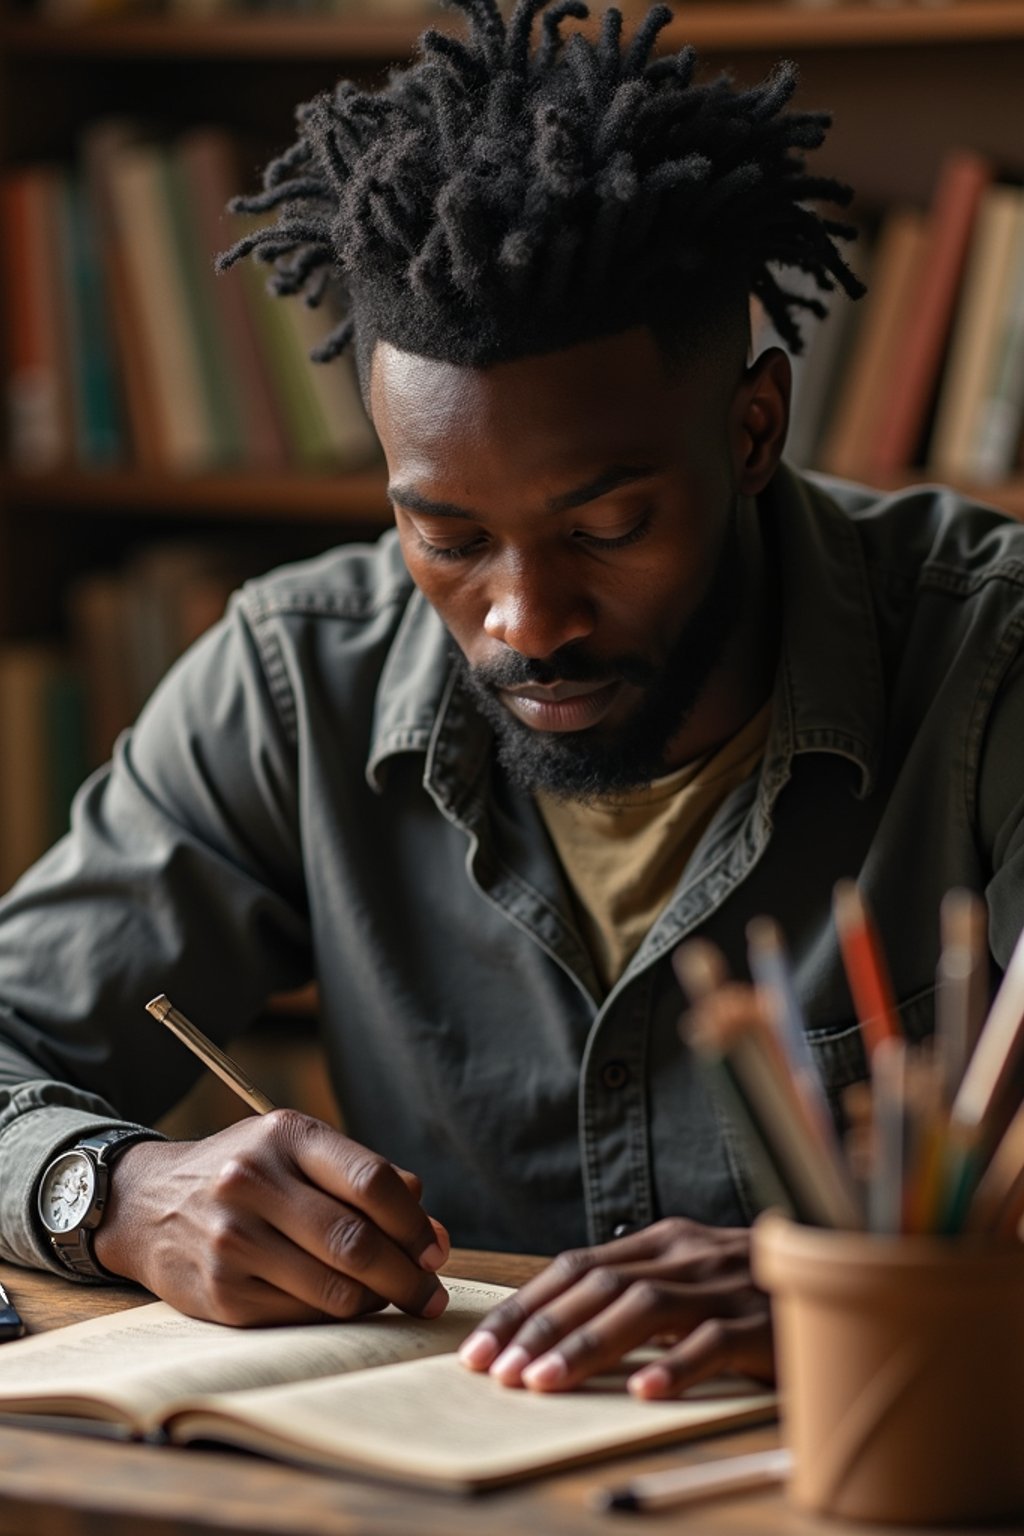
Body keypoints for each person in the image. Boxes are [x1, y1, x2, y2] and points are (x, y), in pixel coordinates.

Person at [2, 0, 1023, 1404]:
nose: (524, 622)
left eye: (606, 529)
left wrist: (866, 1285)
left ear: (753, 430)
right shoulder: (300, 675)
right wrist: (108, 1190)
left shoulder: (996, 663)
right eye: (450, 537)